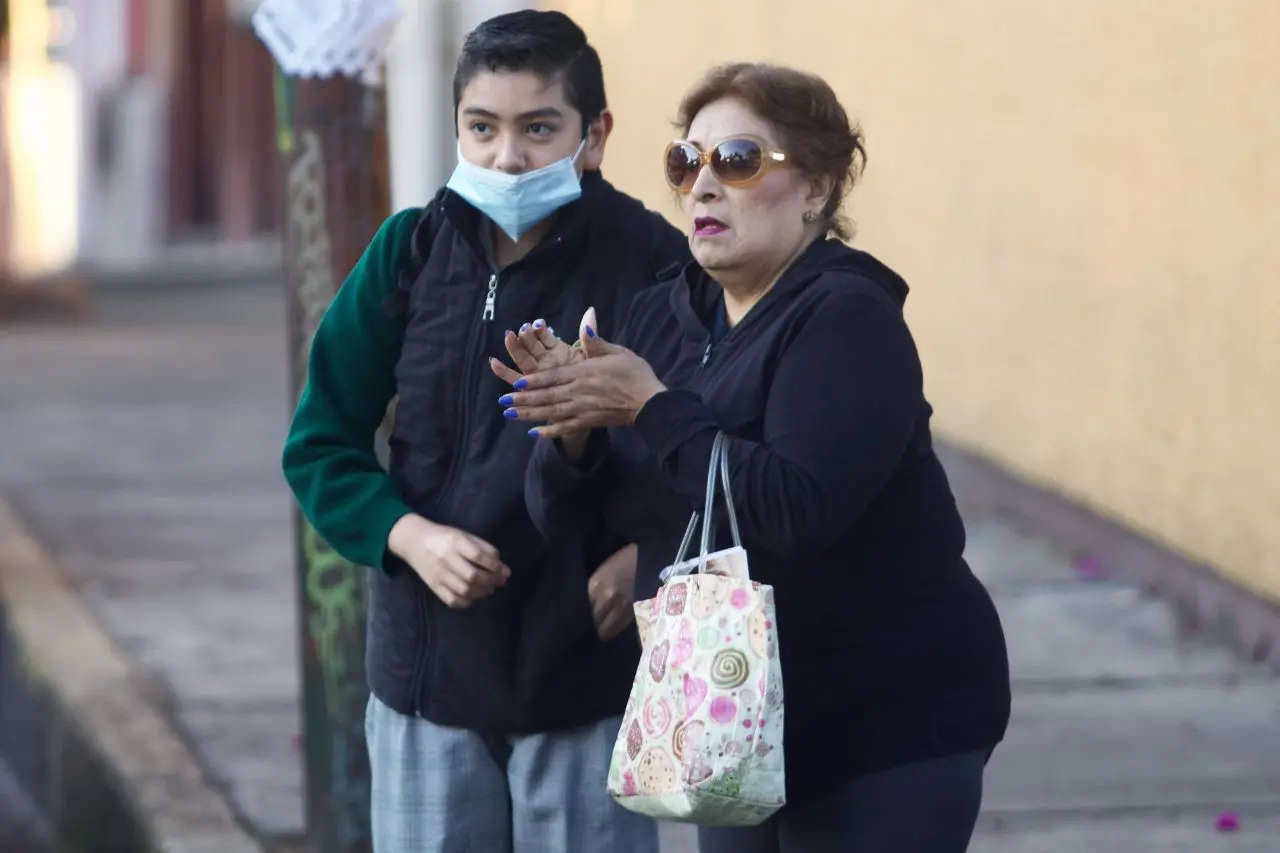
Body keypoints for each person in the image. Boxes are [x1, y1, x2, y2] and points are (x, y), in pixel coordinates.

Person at [495, 62, 1012, 853]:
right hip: (725, 711)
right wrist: (574, 430)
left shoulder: (847, 319)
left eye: (736, 161)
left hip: (881, 725)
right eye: (685, 161)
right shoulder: (663, 312)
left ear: (816, 190)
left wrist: (650, 406)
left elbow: (791, 511)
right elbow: (572, 520)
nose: (702, 185)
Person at [281, 11, 690, 853]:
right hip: (429, 672)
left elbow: (709, 441)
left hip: (585, 672)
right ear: (458, 128)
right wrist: (408, 534)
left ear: (595, 134)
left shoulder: (654, 261)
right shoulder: (410, 251)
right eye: (483, 128)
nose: (508, 157)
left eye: (539, 129)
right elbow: (321, 441)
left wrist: (646, 555)